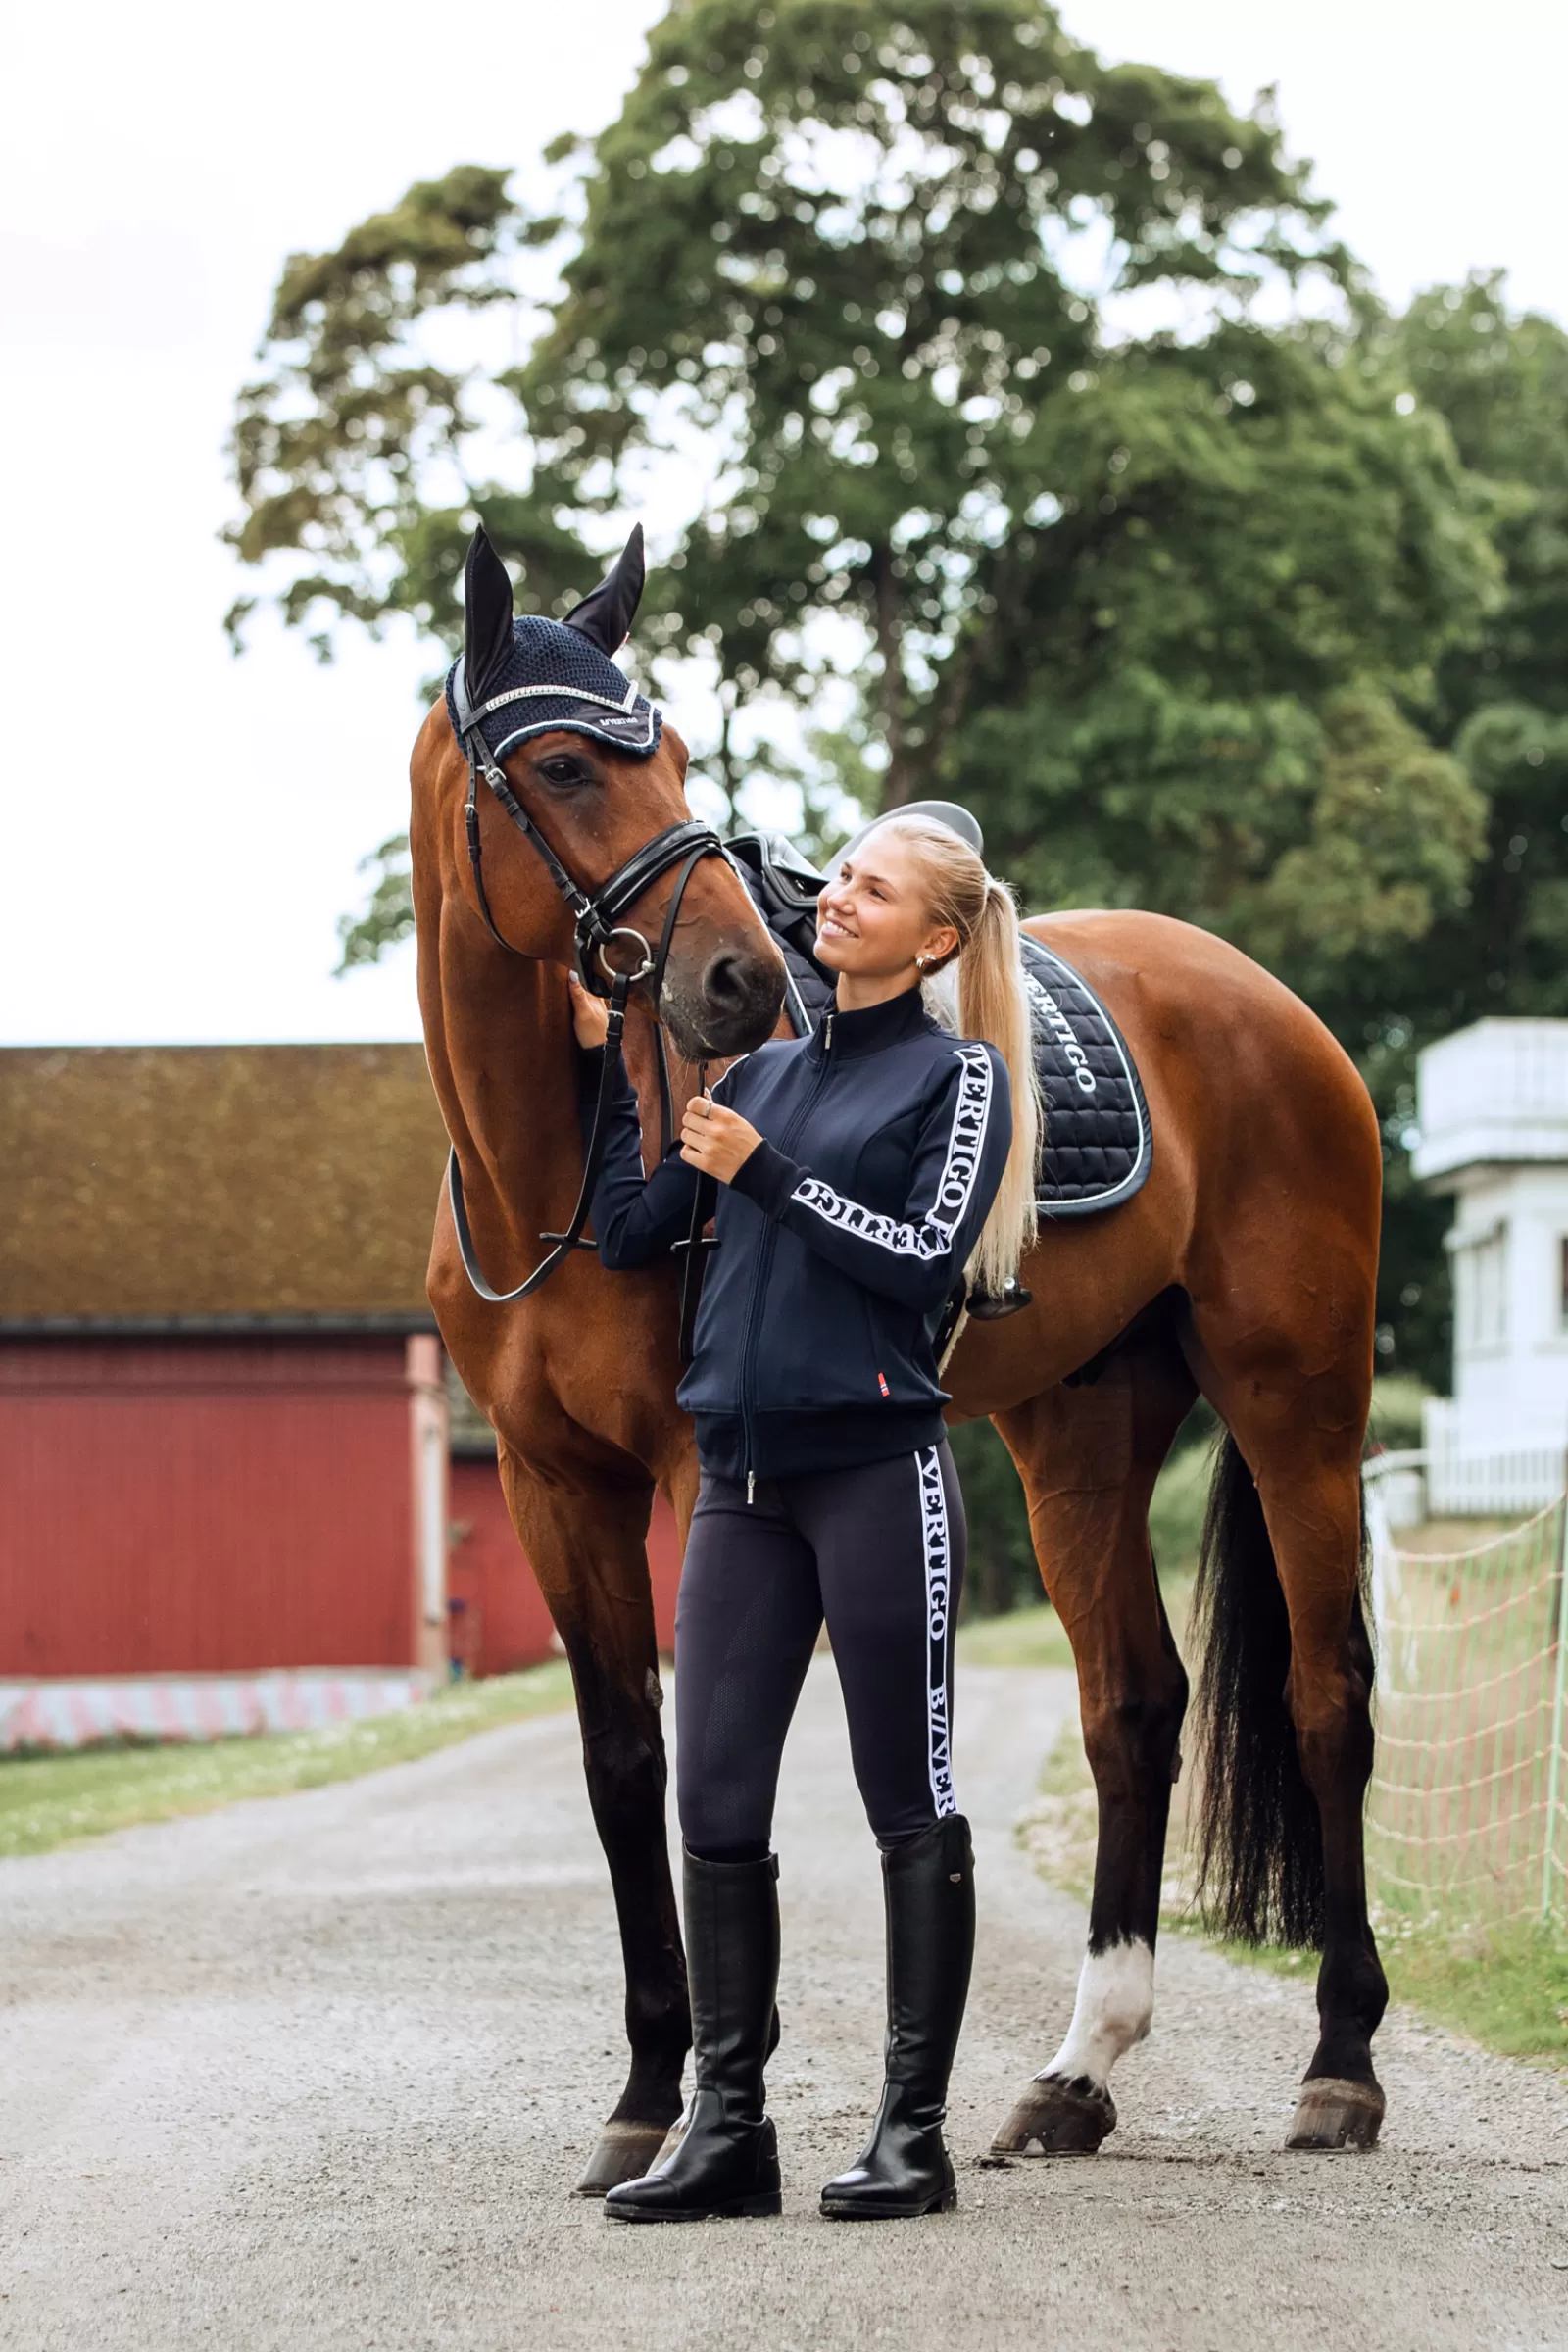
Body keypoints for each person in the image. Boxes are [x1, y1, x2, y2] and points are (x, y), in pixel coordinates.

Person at [566, 814, 1041, 2224]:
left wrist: (760, 1170)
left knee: (909, 1796)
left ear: (936, 938)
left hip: (877, 1474)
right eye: (838, 876)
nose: (837, 897)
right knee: (711, 1801)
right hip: (741, 1489)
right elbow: (632, 1236)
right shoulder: (761, 1066)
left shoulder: (964, 1082)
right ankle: (728, 2129)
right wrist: (612, 1073)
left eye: (873, 888)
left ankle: (912, 2132)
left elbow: (923, 1263)